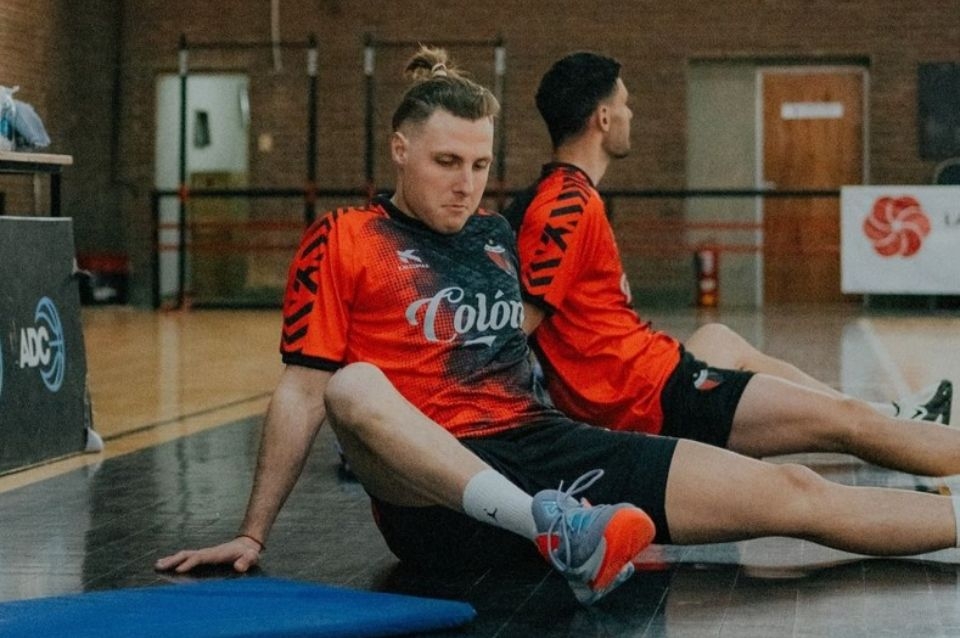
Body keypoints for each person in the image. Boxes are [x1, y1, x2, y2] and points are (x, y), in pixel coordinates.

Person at [157, 47, 960, 607]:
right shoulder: (344, 238)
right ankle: (552, 528)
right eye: (445, 163)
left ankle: (570, 529)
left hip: (541, 446)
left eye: (479, 165)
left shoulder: (495, 237)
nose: (466, 184)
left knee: (796, 492)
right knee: (355, 386)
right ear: (400, 150)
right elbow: (303, 392)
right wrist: (252, 534)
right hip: (434, 496)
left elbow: (555, 345)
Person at [502, 51, 958, 476]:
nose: (630, 114)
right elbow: (513, 329)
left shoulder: (571, 195)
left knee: (719, 338)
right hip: (651, 400)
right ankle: (893, 424)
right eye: (625, 104)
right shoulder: (565, 205)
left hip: (651, 373)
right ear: (603, 118)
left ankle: (895, 415)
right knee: (847, 424)